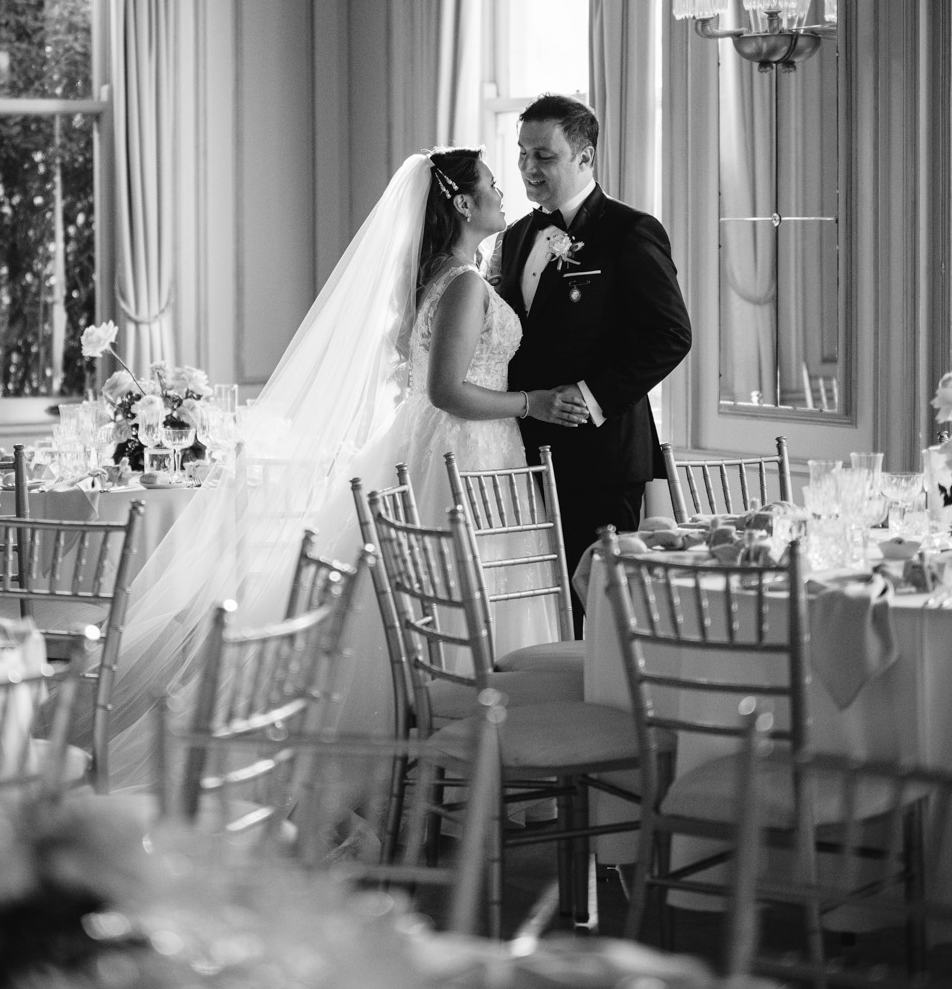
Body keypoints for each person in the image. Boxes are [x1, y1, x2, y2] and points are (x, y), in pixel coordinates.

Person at [97, 149, 582, 789]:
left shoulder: (443, 276)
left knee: (451, 599)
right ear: (463, 204)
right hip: (466, 447)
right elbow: (446, 390)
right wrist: (534, 402)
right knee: (468, 595)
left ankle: (456, 765)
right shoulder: (463, 285)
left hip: (453, 446)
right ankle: (480, 768)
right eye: (492, 183)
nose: (503, 191)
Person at [492, 94, 695, 600]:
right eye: (522, 153)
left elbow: (672, 334)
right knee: (548, 599)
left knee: (605, 605)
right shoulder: (517, 235)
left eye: (544, 155)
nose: (528, 168)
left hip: (601, 457)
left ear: (584, 158)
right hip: (523, 448)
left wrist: (589, 396)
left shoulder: (630, 231)